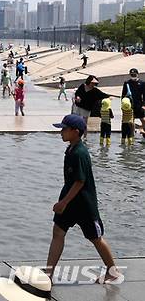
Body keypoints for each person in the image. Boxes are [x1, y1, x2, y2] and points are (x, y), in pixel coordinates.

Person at [47, 115, 121, 284]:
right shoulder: (71, 149)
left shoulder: (80, 153)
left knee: (95, 237)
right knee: (58, 232)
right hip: (69, 201)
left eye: (64, 129)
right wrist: (64, 201)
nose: (61, 132)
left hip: (83, 204)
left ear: (76, 132)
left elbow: (80, 182)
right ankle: (49, 273)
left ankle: (113, 271)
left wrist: (63, 202)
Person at [121, 68, 145, 136]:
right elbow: (123, 95)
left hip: (139, 104)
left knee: (143, 119)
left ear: (137, 74)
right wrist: (122, 105)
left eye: (134, 74)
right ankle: (132, 134)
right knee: (131, 121)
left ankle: (141, 128)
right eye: (132, 74)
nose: (133, 75)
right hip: (130, 104)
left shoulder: (142, 83)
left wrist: (144, 105)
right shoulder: (127, 83)